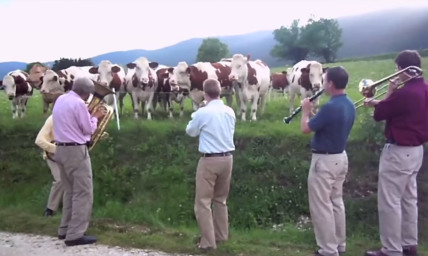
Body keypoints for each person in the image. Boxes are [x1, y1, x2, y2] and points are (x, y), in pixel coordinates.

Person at [363, 50, 428, 256]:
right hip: (416, 151)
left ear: (403, 68)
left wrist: (389, 92)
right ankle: (409, 244)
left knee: (389, 202)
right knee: (409, 199)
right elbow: (398, 110)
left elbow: (380, 114)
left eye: (397, 69)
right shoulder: (424, 89)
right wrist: (381, 101)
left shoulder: (404, 92)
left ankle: (391, 249)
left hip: (399, 152)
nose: (396, 73)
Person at [300, 66, 356, 256]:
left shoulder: (330, 106)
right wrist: (316, 115)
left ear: (330, 84)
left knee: (321, 206)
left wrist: (305, 112)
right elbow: (327, 125)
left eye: (324, 80)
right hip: (340, 157)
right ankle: (340, 244)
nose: (323, 83)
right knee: (336, 202)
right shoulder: (348, 103)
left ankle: (328, 250)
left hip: (324, 161)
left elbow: (306, 129)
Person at [52, 76, 106, 246]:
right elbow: (88, 129)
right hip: (75, 150)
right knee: (83, 192)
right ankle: (75, 234)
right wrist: (95, 116)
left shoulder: (61, 99)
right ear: (87, 93)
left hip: (60, 149)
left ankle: (65, 229)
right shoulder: (79, 104)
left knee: (70, 191)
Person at [185, 78, 236, 251]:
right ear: (219, 92)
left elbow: (191, 131)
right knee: (220, 200)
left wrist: (196, 113)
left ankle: (208, 242)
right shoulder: (229, 111)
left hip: (209, 160)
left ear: (204, 93)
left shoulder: (203, 112)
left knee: (203, 202)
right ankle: (222, 236)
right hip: (227, 158)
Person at [35, 113, 63, 217]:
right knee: (60, 180)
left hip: (72, 155)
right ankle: (50, 209)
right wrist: (58, 150)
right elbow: (39, 140)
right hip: (53, 156)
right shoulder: (53, 119)